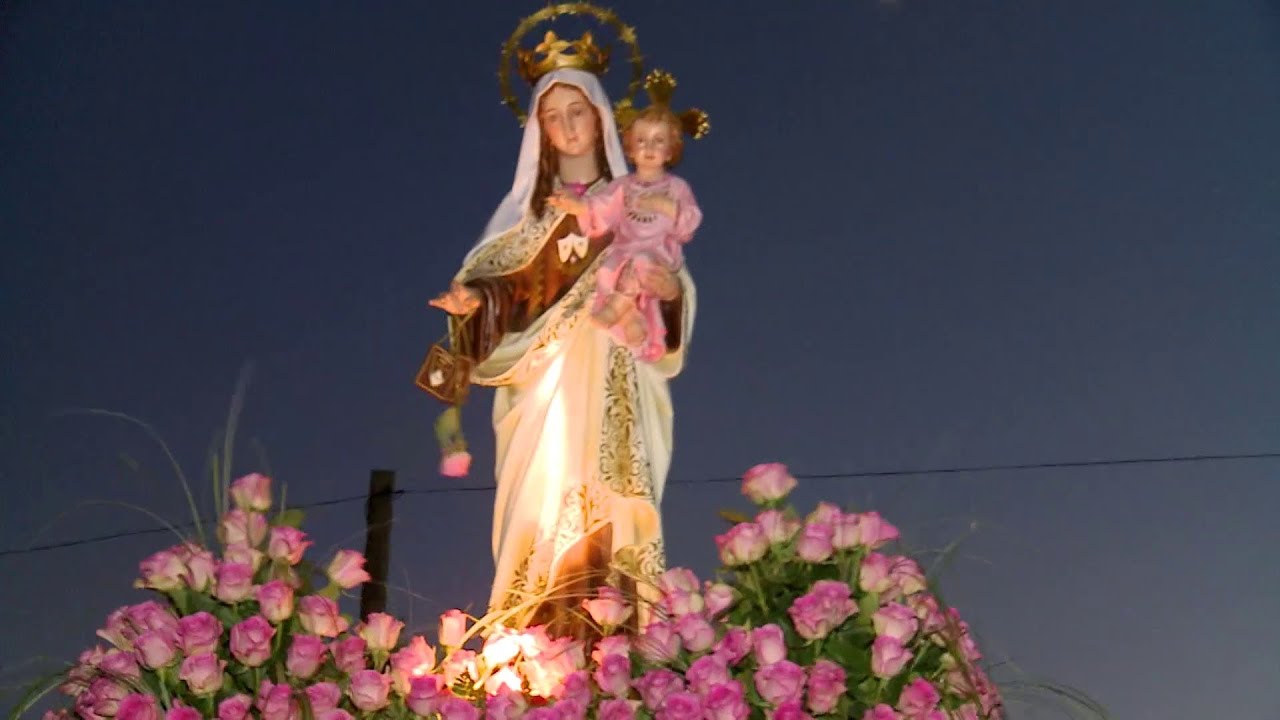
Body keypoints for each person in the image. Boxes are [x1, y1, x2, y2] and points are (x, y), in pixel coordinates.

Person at [428, 66, 696, 635]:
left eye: (577, 112)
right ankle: (536, 631)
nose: (568, 127)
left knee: (614, 499)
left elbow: (671, 283)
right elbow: (503, 287)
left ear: (600, 119)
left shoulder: (635, 204)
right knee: (542, 498)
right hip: (543, 381)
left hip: (618, 370)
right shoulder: (528, 219)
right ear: (540, 131)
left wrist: (670, 292)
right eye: (553, 117)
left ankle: (618, 638)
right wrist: (475, 301)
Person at [548, 105, 703, 362]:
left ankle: (618, 309)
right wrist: (579, 206)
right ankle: (630, 317)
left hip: (657, 253)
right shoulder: (622, 186)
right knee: (607, 271)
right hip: (623, 251)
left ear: (670, 150)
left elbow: (689, 222)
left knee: (642, 264)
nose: (649, 148)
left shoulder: (676, 188)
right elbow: (601, 208)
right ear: (629, 148)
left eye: (658, 141)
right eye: (641, 141)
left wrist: (666, 206)